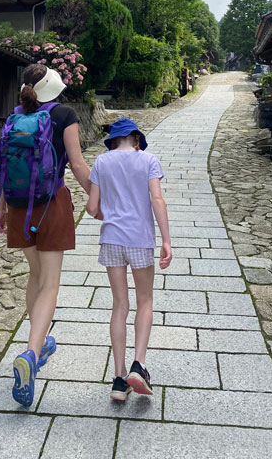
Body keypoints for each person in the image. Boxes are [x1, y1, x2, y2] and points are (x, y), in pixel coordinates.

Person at [0, 64, 91, 407]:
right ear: (54, 86)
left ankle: (41, 338)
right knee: (51, 283)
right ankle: (31, 355)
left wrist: (2, 208)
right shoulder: (64, 114)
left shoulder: (16, 115)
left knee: (35, 276)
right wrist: (98, 196)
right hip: (52, 203)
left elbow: (5, 166)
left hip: (20, 205)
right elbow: (77, 164)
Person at [86, 118, 172, 400]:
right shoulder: (148, 160)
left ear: (113, 140)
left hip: (111, 239)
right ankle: (139, 365)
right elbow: (157, 200)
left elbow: (91, 207)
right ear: (136, 138)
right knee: (144, 301)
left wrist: (106, 215)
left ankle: (119, 379)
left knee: (119, 305)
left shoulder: (101, 162)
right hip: (139, 239)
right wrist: (166, 240)